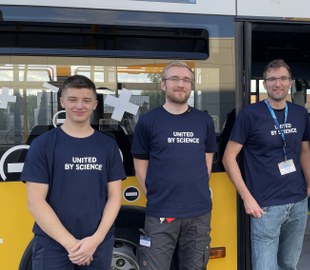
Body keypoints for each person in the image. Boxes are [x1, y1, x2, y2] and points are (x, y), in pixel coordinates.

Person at [22, 75, 125, 269]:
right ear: (62, 101)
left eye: (86, 100)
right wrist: (72, 245)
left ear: (95, 104)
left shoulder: (108, 146)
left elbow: (115, 197)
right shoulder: (43, 145)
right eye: (73, 99)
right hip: (53, 244)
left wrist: (95, 240)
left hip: (97, 244)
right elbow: (35, 202)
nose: (80, 106)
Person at [223, 59, 310, 270]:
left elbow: (305, 150)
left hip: (298, 202)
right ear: (264, 84)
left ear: (290, 82)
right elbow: (229, 158)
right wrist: (248, 199)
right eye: (272, 79)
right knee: (265, 267)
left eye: (282, 78)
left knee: (289, 264)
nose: (277, 83)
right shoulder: (250, 114)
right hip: (265, 206)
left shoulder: (300, 113)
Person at [132, 61, 216, 270]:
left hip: (199, 213)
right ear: (163, 85)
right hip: (161, 213)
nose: (181, 84)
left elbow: (207, 161)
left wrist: (201, 189)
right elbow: (140, 167)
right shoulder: (148, 121)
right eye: (175, 79)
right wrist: (153, 196)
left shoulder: (203, 120)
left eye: (186, 80)